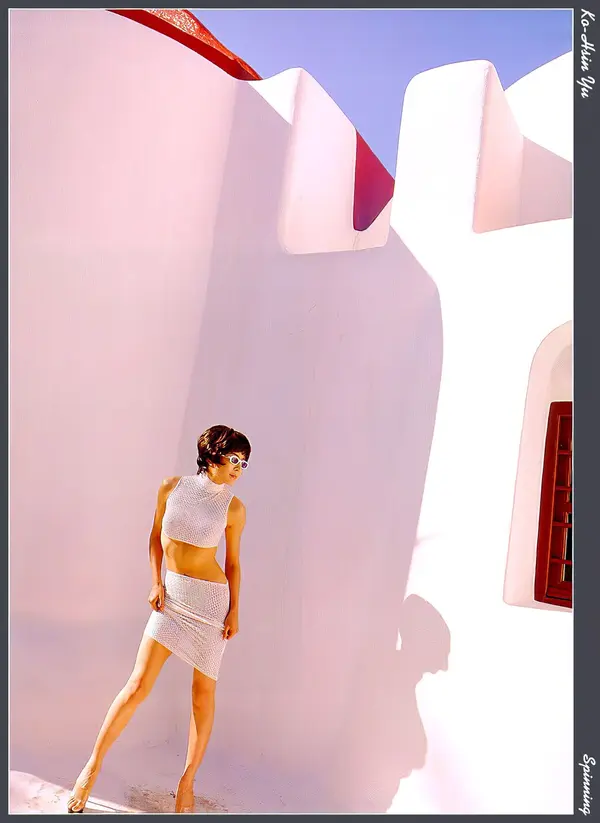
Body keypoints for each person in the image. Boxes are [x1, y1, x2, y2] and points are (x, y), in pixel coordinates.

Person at [67, 425, 250, 814]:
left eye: (244, 463)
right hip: (172, 598)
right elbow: (155, 538)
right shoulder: (171, 488)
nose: (239, 468)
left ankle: (187, 783)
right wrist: (155, 582)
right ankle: (93, 765)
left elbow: (233, 563)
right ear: (213, 455)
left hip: (210, 605)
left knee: (202, 696)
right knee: (137, 685)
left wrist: (234, 609)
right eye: (234, 459)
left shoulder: (234, 508)